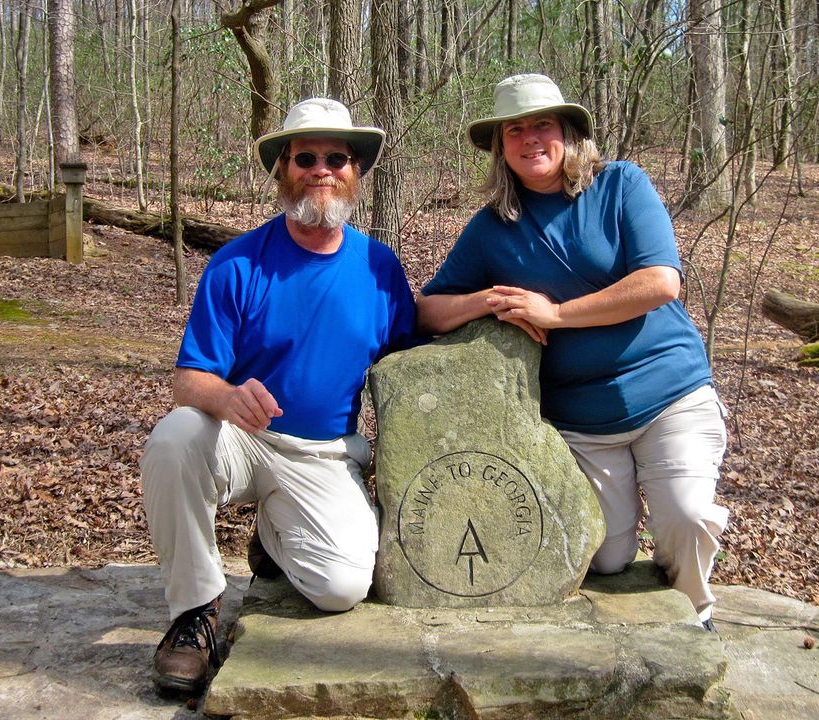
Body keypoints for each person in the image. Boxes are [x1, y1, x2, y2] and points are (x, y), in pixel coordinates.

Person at [417, 74, 729, 629]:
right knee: (606, 558)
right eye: (515, 129)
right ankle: (649, 559)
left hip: (669, 394)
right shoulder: (493, 227)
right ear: (500, 146)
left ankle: (693, 610)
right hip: (581, 421)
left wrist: (555, 315)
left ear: (568, 133)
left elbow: (659, 282)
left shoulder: (621, 186)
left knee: (686, 516)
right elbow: (430, 309)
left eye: (543, 124)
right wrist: (490, 299)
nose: (530, 138)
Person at [140, 98, 416, 692]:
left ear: (356, 171)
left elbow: (406, 370)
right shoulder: (238, 263)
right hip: (242, 440)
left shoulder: (379, 269)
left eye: (336, 158)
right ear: (281, 169)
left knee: (341, 588)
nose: (322, 168)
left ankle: (272, 537)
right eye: (305, 157)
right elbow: (188, 380)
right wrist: (227, 396)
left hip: (323, 455)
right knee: (173, 437)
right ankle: (193, 615)